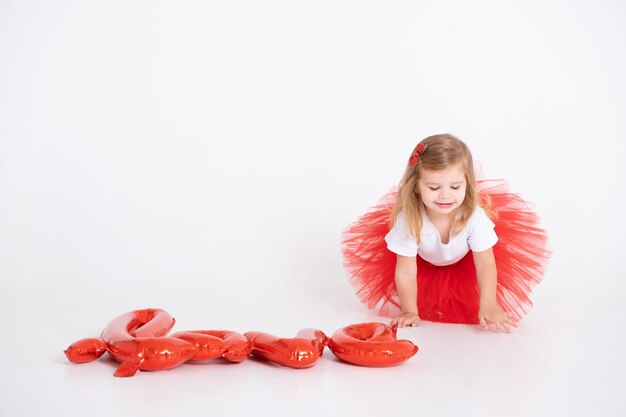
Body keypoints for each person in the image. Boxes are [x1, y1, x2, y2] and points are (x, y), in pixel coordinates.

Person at [341, 134, 550, 332]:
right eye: (433, 188)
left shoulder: (474, 218)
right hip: (421, 267)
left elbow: (485, 264)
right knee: (416, 291)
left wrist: (487, 304)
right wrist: (409, 311)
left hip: (464, 265)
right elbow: (406, 271)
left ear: (467, 184)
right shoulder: (410, 220)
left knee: (476, 285)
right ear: (416, 187)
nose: (445, 195)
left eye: (455, 186)